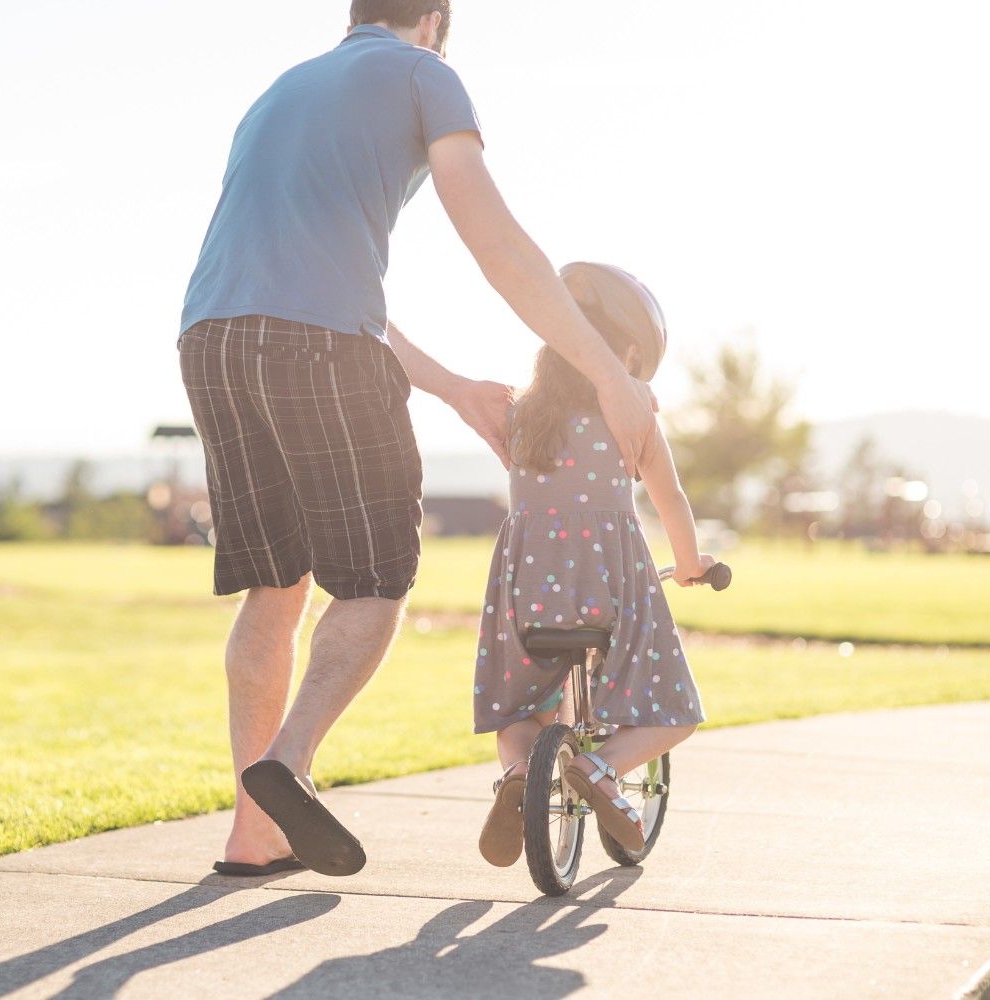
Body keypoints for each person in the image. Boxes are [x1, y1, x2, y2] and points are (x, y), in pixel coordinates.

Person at [177, 2, 658, 878]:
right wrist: (609, 374)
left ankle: (254, 833)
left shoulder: (281, 91)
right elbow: (499, 245)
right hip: (316, 344)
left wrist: (450, 387)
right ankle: (286, 763)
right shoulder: (422, 74)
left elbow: (309, 285)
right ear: (435, 19)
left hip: (210, 339)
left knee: (275, 586)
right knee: (375, 582)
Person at [474, 263, 712, 865]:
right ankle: (599, 768)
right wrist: (690, 564)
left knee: (520, 710)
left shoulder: (519, 417)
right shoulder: (631, 418)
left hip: (528, 596)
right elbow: (671, 500)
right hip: (608, 593)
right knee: (674, 709)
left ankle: (517, 777)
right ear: (630, 354)